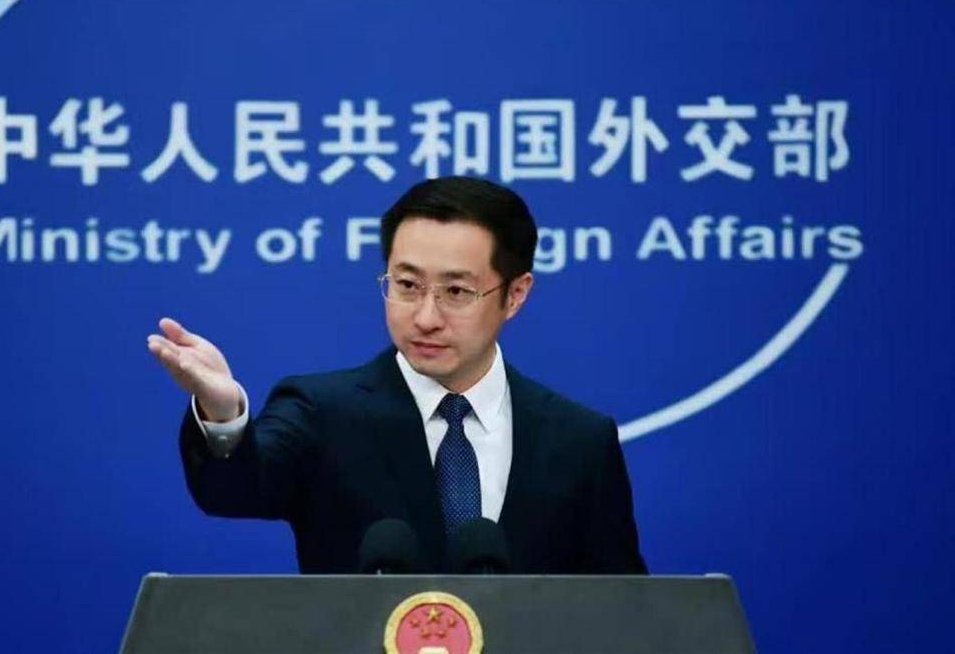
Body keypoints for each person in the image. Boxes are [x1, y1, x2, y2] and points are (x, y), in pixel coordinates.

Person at [146, 177, 646, 574]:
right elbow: (234, 489)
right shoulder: (322, 413)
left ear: (515, 295)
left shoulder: (579, 440)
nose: (426, 317)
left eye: (456, 292)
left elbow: (623, 610)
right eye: (407, 285)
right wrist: (223, 413)